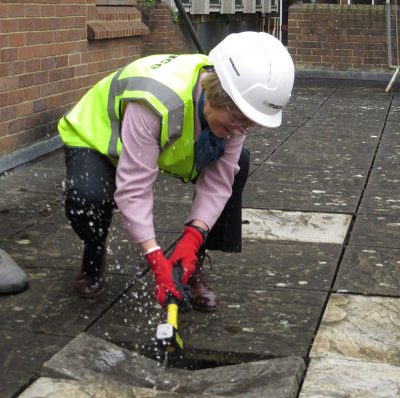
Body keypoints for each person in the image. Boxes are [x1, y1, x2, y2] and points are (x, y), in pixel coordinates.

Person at [58, 32, 295, 312]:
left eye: (250, 123)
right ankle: (94, 254)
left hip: (159, 138)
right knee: (88, 197)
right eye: (239, 119)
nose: (241, 130)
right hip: (97, 136)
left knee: (237, 165)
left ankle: (189, 264)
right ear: (217, 92)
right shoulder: (155, 102)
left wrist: (193, 236)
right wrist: (155, 258)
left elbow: (218, 183)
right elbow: (134, 187)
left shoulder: (236, 104)